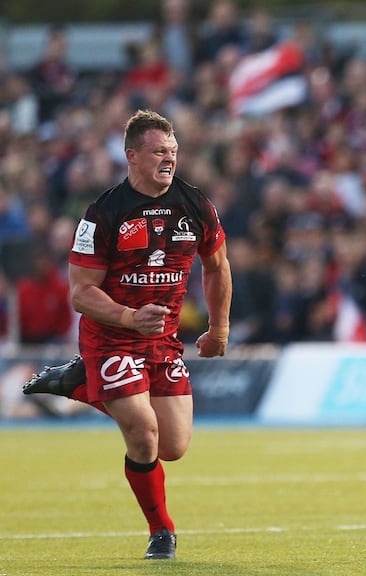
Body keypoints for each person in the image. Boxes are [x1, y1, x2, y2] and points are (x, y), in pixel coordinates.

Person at [21, 110, 232, 560]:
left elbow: (217, 267)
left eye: (173, 151)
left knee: (173, 447)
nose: (169, 159)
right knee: (143, 433)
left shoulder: (195, 204)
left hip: (162, 340)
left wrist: (219, 327)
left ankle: (81, 383)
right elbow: (81, 294)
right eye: (159, 151)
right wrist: (130, 318)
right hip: (111, 337)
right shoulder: (104, 213)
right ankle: (162, 532)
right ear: (132, 156)